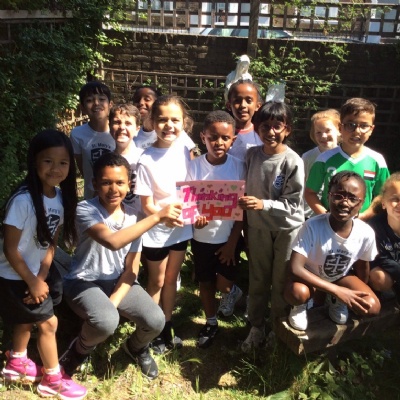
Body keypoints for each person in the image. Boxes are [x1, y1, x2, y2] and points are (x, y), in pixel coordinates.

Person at [60, 152, 183, 381]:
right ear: (94, 184)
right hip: (83, 281)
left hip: (119, 280)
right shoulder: (85, 209)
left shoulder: (135, 217)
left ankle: (135, 347)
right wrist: (157, 217)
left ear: (129, 185)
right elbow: (113, 241)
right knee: (106, 321)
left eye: (120, 182)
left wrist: (113, 303)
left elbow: (131, 270)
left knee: (156, 320)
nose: (113, 189)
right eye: (106, 182)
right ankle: (78, 352)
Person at [0, 130, 87, 399]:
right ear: (34, 161)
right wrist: (32, 280)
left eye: (63, 162)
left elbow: (52, 241)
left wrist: (43, 273)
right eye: (48, 161)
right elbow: (10, 249)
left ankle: (17, 361)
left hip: (34, 273)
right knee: (48, 324)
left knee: (27, 318)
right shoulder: (23, 201)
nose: (56, 169)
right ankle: (52, 379)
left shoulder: (58, 197)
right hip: (13, 274)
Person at [238, 101, 304, 352]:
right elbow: (240, 187)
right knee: (258, 278)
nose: (271, 132)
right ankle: (256, 326)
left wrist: (262, 204)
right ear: (257, 128)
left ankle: (278, 327)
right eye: (265, 126)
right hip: (257, 227)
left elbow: (293, 203)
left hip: (287, 229)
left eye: (277, 126)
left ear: (287, 129)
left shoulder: (292, 160)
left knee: (281, 279)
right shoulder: (251, 155)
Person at [285, 171, 381, 331]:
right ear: (329, 196)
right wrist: (338, 291)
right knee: (297, 293)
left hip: (339, 276)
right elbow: (295, 268)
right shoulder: (312, 226)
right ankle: (300, 306)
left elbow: (362, 268)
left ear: (362, 203)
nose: (345, 203)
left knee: (371, 306)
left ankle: (335, 301)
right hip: (310, 276)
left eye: (353, 198)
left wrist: (351, 293)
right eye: (338, 196)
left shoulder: (365, 232)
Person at [135, 95, 193, 354]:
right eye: (162, 120)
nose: (169, 125)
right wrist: (163, 216)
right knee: (156, 281)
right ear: (152, 122)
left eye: (175, 120)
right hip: (156, 233)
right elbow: (146, 204)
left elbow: (193, 188)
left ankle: (167, 324)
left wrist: (194, 213)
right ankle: (149, 328)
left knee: (171, 279)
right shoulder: (146, 159)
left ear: (184, 122)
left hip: (181, 229)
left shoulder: (186, 150)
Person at [186, 110, 245, 348]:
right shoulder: (194, 167)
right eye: (213, 137)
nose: (218, 142)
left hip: (228, 238)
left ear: (233, 140)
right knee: (206, 282)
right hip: (201, 238)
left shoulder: (239, 167)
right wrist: (194, 217)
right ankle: (211, 322)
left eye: (225, 138)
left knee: (224, 285)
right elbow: (188, 201)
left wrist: (232, 243)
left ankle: (234, 292)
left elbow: (242, 210)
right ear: (203, 137)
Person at [305, 98, 390, 221]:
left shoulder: (377, 161)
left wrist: (365, 216)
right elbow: (310, 192)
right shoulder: (324, 159)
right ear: (340, 128)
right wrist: (326, 216)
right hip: (328, 224)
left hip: (362, 225)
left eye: (364, 126)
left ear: (371, 129)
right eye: (351, 125)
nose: (357, 131)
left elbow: (382, 195)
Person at [70, 81, 115, 199]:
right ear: (82, 108)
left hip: (117, 196)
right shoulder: (77, 134)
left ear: (110, 104)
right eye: (89, 100)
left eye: (102, 99)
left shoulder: (119, 132)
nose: (96, 103)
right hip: (91, 198)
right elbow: (83, 168)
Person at [132, 85, 197, 158]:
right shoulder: (133, 136)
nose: (141, 102)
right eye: (137, 100)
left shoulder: (174, 132)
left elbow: (190, 159)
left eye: (147, 99)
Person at [302, 109, 341, 219]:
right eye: (318, 132)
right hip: (309, 213)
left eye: (328, 130)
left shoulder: (344, 156)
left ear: (339, 130)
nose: (323, 136)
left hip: (336, 212)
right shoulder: (307, 157)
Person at [368, 172, 400, 299]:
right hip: (385, 268)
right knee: (379, 278)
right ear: (383, 203)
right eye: (395, 199)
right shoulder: (374, 227)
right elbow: (380, 258)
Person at [110, 103, 143, 216]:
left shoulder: (145, 158)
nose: (122, 127)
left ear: (137, 129)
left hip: (142, 219)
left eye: (128, 123)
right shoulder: (105, 161)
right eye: (117, 122)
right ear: (109, 127)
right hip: (115, 218)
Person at [226, 79, 263, 162]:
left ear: (257, 106)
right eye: (237, 101)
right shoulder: (222, 134)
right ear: (229, 105)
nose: (243, 105)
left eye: (249, 101)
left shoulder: (262, 135)